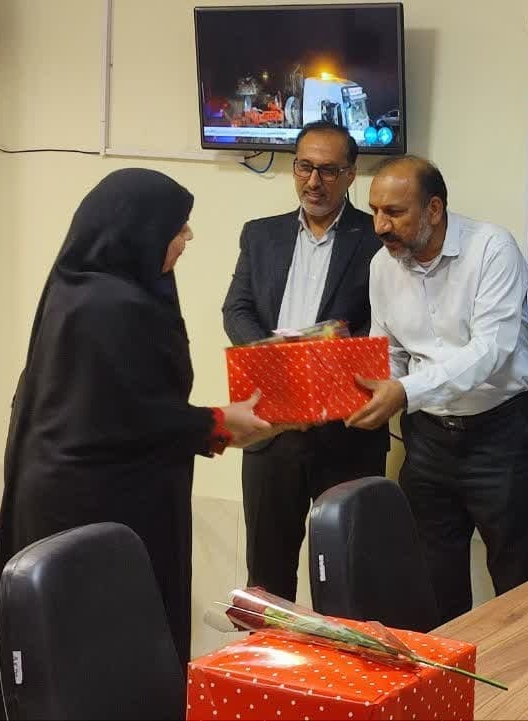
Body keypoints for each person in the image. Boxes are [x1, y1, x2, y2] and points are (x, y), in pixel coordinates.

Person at [0, 168, 284, 720]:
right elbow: (124, 417)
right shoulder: (110, 305)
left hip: (78, 493)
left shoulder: (82, 287)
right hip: (94, 508)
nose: (188, 236)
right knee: (102, 656)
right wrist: (216, 422)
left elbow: (118, 405)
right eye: (178, 226)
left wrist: (212, 424)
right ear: (140, 230)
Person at [346, 155, 528, 624]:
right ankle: (443, 673)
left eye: (394, 212)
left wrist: (404, 391)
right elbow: (389, 350)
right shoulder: (382, 266)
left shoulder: (492, 248)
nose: (380, 226)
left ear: (434, 209)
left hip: (500, 435)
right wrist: (368, 389)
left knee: (521, 582)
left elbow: (491, 349)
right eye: (375, 210)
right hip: (428, 441)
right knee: (430, 583)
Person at [222, 121, 389, 602]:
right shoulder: (261, 235)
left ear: (351, 175)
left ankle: (340, 655)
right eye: (304, 167)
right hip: (272, 428)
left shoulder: (376, 237)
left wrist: (328, 355)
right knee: (267, 577)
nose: (314, 181)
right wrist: (275, 357)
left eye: (329, 171)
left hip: (346, 432)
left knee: (348, 577)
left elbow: (387, 321)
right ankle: (269, 653)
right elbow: (236, 310)